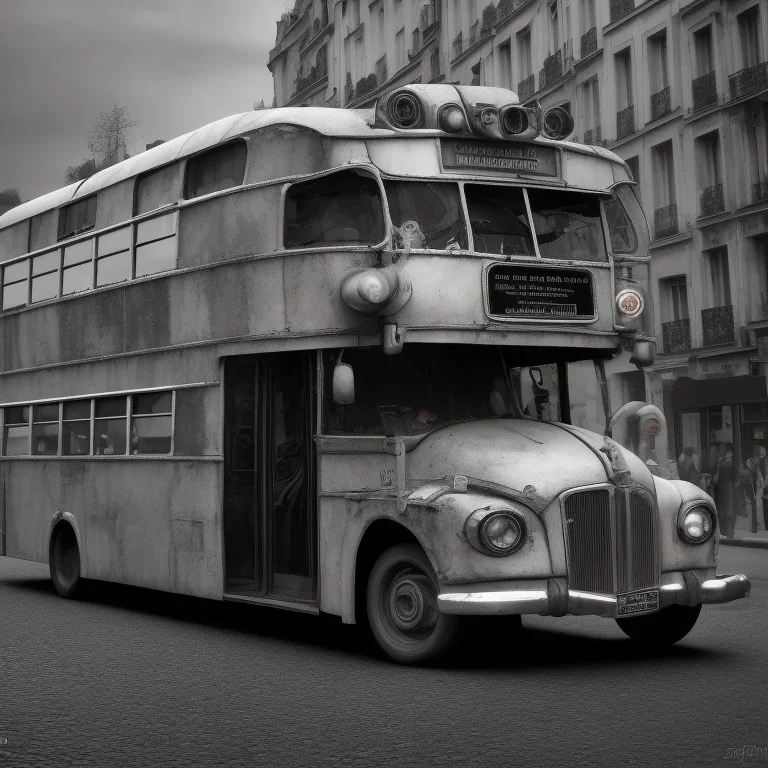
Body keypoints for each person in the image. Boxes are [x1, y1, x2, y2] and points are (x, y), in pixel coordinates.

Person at [713, 451, 736, 538]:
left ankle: (724, 532)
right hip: (728, 489)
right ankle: (729, 533)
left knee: (722, 511)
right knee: (729, 512)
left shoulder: (720, 465)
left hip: (721, 489)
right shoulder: (730, 466)